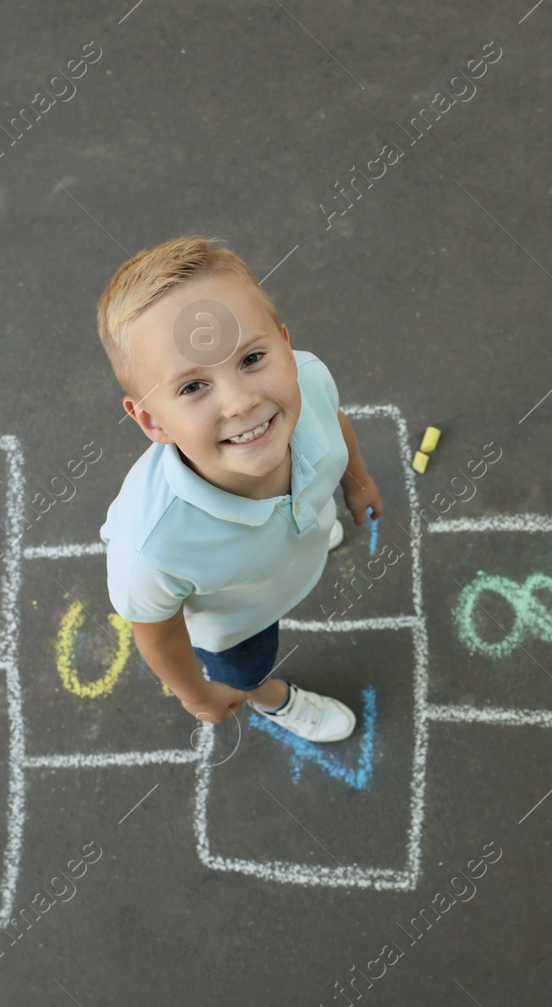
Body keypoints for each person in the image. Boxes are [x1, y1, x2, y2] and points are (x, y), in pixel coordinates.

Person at [95, 235, 383, 743]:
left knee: (304, 516)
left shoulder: (310, 382)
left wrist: (357, 482)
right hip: (239, 622)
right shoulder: (152, 550)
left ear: (288, 349)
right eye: (192, 387)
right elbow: (156, 631)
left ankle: (302, 524)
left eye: (251, 359)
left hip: (291, 547)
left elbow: (334, 426)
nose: (241, 402)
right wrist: (195, 693)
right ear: (150, 420)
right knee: (246, 671)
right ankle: (274, 701)